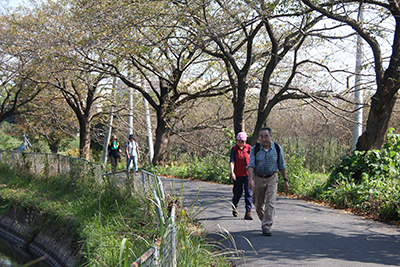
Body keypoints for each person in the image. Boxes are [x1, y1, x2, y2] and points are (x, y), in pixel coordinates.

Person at [247, 127, 289, 236]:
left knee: (270, 202)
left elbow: (281, 165)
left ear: (270, 137)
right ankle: (265, 220)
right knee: (257, 204)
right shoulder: (255, 149)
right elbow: (251, 165)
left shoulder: (277, 148)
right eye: (261, 136)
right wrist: (250, 179)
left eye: (266, 136)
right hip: (258, 178)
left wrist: (285, 180)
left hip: (272, 177)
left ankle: (266, 225)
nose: (264, 139)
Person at [230, 132, 253, 220]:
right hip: (238, 174)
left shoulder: (249, 148)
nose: (241, 143)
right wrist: (232, 172)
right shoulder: (234, 149)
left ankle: (248, 212)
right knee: (237, 193)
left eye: (243, 141)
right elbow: (232, 161)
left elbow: (253, 159)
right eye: (239, 141)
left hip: (248, 174)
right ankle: (235, 206)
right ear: (237, 141)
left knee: (248, 193)